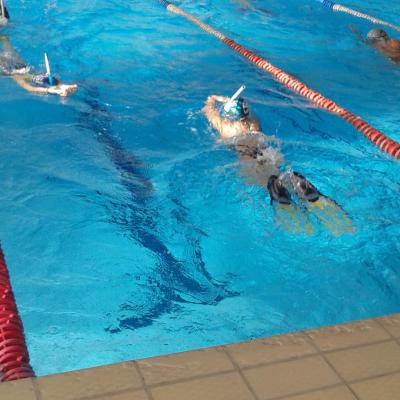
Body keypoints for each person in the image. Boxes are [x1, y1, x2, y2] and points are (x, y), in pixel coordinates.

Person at [203, 87, 354, 235]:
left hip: (246, 156)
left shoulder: (223, 126)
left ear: (227, 117)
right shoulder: (253, 122)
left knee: (264, 180)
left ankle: (279, 194)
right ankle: (300, 186)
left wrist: (215, 99)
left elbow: (207, 107)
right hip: (267, 151)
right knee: (277, 171)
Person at [0, 35, 77, 96]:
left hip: (22, 68)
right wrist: (48, 90)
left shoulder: (11, 56)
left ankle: (62, 87)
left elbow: (5, 39)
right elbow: (29, 88)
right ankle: (60, 88)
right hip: (16, 72)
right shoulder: (15, 75)